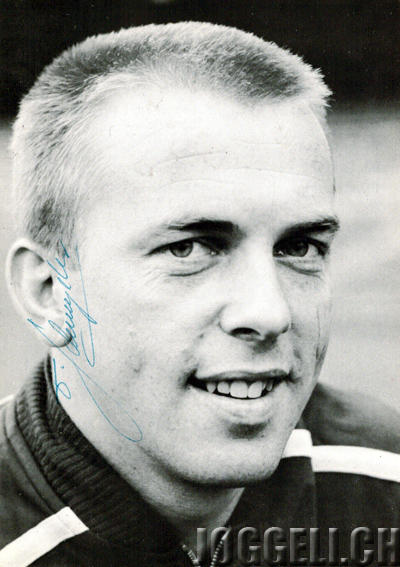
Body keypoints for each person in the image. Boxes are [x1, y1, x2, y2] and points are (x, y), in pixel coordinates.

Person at [0, 22, 399, 567]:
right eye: (189, 249)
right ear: (48, 292)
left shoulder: (384, 480)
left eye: (299, 247)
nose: (269, 312)